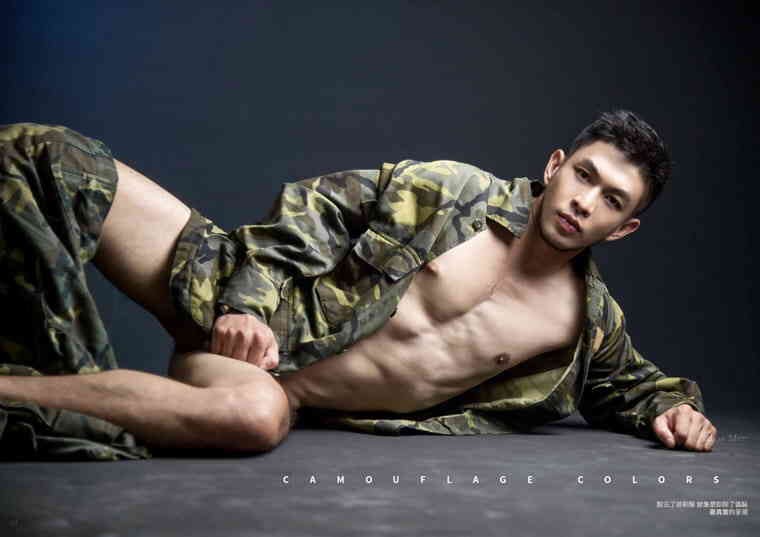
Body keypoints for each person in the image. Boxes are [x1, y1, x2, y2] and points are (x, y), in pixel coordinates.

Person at [0, 110, 716, 461]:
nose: (585, 202)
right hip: (221, 284)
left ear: (623, 228)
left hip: (258, 383)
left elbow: (636, 388)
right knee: (42, 156)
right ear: (556, 165)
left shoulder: (583, 327)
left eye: (612, 200)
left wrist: (677, 411)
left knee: (256, 419)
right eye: (584, 175)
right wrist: (246, 305)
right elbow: (309, 210)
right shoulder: (451, 191)